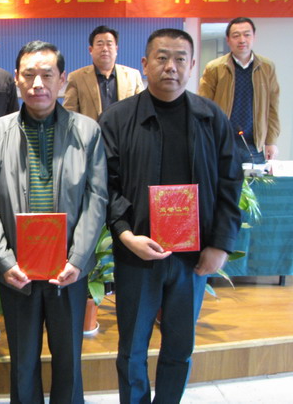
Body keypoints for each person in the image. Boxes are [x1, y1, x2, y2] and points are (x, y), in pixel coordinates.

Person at [98, 29, 243, 403]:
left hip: (192, 258)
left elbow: (231, 183)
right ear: (145, 64)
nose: (171, 67)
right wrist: (124, 233)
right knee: (132, 348)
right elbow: (104, 185)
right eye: (162, 58)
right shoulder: (116, 119)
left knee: (179, 346)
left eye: (180, 59)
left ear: (192, 65)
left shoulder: (211, 118)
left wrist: (220, 244)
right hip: (137, 254)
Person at [0, 40, 108, 403]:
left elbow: (97, 198)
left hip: (68, 270)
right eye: (29, 75)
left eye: (47, 75)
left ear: (62, 80)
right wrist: (5, 262)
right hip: (17, 271)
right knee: (22, 363)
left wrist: (77, 260)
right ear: (16, 79)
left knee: (69, 361)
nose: (38, 84)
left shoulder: (88, 132)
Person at [198, 17, 280, 164]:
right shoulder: (214, 68)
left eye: (247, 35)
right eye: (236, 36)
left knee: (253, 180)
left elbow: (272, 107)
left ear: (254, 37)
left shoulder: (267, 67)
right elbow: (203, 107)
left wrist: (271, 141)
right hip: (221, 143)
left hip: (254, 145)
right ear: (228, 40)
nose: (242, 40)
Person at [63, 25, 144, 120]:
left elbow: (143, 109)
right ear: (91, 50)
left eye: (109, 44)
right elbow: (69, 114)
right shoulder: (76, 78)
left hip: (125, 129)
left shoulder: (133, 76)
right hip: (91, 129)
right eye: (100, 44)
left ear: (116, 49)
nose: (105, 49)